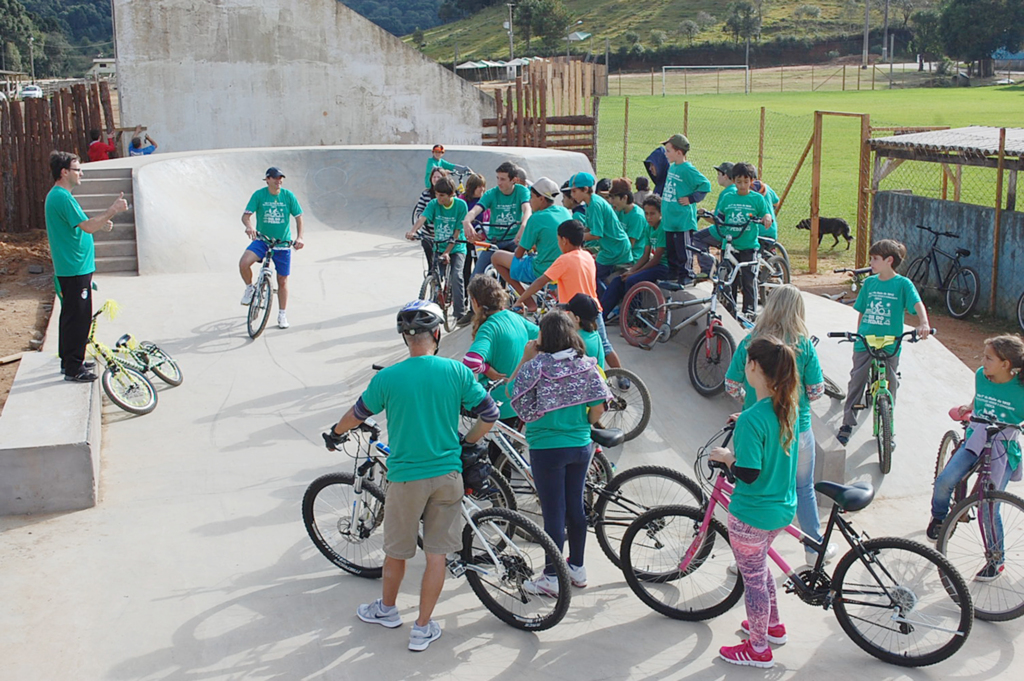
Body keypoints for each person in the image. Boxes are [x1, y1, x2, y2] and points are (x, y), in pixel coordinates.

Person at [327, 300, 499, 652]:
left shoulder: (387, 378)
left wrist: (335, 433)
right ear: (436, 334)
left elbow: (356, 415)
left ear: (406, 339)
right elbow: (490, 413)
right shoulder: (456, 372)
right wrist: (466, 442)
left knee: (397, 552)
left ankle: (387, 611)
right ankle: (422, 628)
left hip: (405, 479)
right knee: (436, 555)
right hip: (447, 476)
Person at [725, 285, 836, 566]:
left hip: (756, 430)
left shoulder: (752, 341)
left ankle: (746, 554)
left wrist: (748, 402)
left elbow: (730, 383)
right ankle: (814, 551)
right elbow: (817, 389)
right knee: (803, 488)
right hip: (796, 428)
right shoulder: (803, 343)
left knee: (753, 489)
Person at [709, 336, 800, 669]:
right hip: (780, 510)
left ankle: (758, 648)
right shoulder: (787, 406)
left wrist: (726, 457)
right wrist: (743, 422)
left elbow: (747, 473)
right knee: (761, 571)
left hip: (751, 513)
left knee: (753, 582)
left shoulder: (751, 419)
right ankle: (772, 626)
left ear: (753, 367)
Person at [510, 310, 610, 595]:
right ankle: (576, 568)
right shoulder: (586, 365)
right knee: (575, 507)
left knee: (553, 512)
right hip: (580, 446)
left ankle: (552, 576)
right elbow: (600, 407)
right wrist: (582, 425)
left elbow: (512, 392)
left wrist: (525, 358)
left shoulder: (536, 366)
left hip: (546, 449)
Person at [927, 335, 1024, 578]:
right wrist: (970, 407)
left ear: (1006, 364)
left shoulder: (1021, 387)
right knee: (945, 481)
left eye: (988, 358)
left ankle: (995, 559)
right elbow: (980, 396)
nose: (983, 362)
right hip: (976, 437)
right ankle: (940, 518)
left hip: (1002, 445)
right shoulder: (981, 374)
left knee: (988, 506)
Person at [837, 239, 931, 446]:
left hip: (890, 342)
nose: (871, 262)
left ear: (889, 261)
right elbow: (862, 311)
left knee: (891, 381)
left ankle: (888, 426)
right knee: (857, 381)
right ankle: (847, 423)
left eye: (875, 259)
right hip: (866, 340)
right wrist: (858, 334)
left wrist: (923, 323)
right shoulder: (870, 283)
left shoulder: (903, 284)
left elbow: (917, 304)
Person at [45, 151, 129, 381]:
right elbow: (88, 226)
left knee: (71, 316)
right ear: (64, 172)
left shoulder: (61, 196)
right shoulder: (61, 197)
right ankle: (74, 368)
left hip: (74, 267)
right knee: (79, 318)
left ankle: (70, 361)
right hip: (74, 269)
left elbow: (84, 225)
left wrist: (102, 223)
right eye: (77, 169)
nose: (81, 173)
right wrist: (113, 210)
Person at [513, 219, 623, 369]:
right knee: (604, 345)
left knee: (559, 348)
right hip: (593, 308)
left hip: (573, 314)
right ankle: (622, 376)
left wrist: (521, 299)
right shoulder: (588, 256)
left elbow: (540, 282)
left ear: (564, 240)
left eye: (558, 240)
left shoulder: (564, 260)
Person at [462, 275, 538, 423]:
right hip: (523, 400)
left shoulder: (488, 328)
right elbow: (541, 334)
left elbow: (471, 362)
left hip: (499, 406)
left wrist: (487, 370)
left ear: (475, 302)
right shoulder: (513, 317)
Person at [240, 167, 304, 329]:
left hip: (282, 244)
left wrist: (300, 237)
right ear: (267, 179)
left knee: (282, 280)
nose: (279, 181)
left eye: (281, 178)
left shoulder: (288, 196)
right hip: (263, 241)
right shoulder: (259, 195)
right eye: (275, 178)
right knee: (244, 262)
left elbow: (298, 217)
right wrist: (249, 227)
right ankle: (249, 288)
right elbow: (246, 216)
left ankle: (282, 314)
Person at [491, 177, 571, 297]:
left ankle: (527, 300)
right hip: (563, 267)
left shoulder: (536, 218)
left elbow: (518, 254)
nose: (529, 200)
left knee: (496, 257)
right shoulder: (564, 212)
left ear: (542, 199)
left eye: (532, 197)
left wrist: (520, 243)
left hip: (542, 270)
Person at [709, 162, 772, 315]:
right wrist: (711, 216)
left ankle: (749, 312)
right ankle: (730, 311)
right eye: (738, 182)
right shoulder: (728, 197)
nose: (742, 185)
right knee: (730, 280)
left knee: (748, 280)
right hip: (729, 244)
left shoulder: (757, 199)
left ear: (752, 181)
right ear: (733, 181)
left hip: (748, 244)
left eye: (746, 181)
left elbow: (766, 213)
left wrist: (767, 218)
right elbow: (720, 216)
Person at [406, 176, 469, 325]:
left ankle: (459, 313)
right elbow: (423, 218)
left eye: (441, 195)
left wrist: (448, 251)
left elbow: (457, 232)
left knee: (456, 275)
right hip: (439, 246)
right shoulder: (434, 204)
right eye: (436, 194)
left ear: (451, 194)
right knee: (434, 275)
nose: (438, 198)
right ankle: (433, 307)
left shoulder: (460, 205)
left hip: (457, 247)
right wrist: (413, 231)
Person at [600, 194, 669, 322]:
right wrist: (630, 271)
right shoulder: (649, 228)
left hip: (664, 267)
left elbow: (656, 259)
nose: (648, 217)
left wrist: (634, 273)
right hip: (653, 264)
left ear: (661, 213)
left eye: (652, 214)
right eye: (646, 213)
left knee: (632, 281)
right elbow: (645, 256)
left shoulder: (663, 229)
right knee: (618, 281)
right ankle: (600, 318)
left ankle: (631, 320)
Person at [464, 161, 532, 277]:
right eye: (497, 178)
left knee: (524, 274)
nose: (499, 183)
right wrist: (467, 221)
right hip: (495, 241)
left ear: (514, 180)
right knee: (476, 278)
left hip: (514, 240)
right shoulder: (491, 193)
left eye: (503, 179)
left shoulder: (521, 191)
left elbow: (527, 210)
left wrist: (524, 225)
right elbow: (475, 210)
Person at [661, 134, 711, 285]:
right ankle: (673, 273)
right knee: (672, 250)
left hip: (682, 219)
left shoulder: (687, 169)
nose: (666, 154)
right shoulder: (673, 167)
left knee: (683, 250)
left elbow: (705, 185)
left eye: (668, 151)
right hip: (670, 218)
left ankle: (686, 275)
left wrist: (691, 199)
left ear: (679, 152)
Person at [569, 172, 633, 291]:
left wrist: (576, 237)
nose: (572, 195)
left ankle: (604, 304)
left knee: (589, 275)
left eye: (574, 191)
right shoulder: (590, 203)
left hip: (615, 249)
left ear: (585, 189)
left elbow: (596, 234)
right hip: (609, 248)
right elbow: (588, 229)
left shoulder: (595, 204)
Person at [692, 161, 735, 276]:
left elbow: (717, 221)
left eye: (719, 174)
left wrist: (704, 215)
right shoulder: (736, 191)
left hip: (723, 231)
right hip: (735, 230)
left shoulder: (725, 193)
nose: (717, 177)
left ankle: (708, 270)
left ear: (725, 176)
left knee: (696, 237)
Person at [413, 167, 451, 265]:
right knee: (431, 264)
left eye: (439, 177)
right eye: (434, 177)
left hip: (444, 236)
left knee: (443, 262)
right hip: (428, 234)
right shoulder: (425, 194)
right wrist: (426, 219)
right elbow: (419, 212)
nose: (436, 179)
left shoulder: (450, 196)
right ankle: (432, 276)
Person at [562, 293, 605, 369]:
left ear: (577, 319)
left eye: (569, 313)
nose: (567, 315)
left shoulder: (576, 341)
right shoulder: (594, 333)